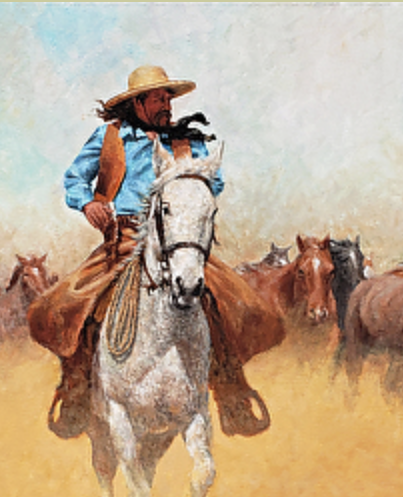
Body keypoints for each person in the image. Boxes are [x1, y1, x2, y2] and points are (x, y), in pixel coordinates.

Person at [28, 65, 284, 440]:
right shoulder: (110, 137)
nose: (167, 105)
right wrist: (88, 205)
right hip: (127, 240)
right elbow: (73, 178)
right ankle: (76, 391)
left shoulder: (189, 141)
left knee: (234, 305)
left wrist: (191, 192)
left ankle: (232, 392)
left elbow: (216, 181)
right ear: (138, 103)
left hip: (180, 240)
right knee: (69, 306)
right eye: (159, 99)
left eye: (168, 98)